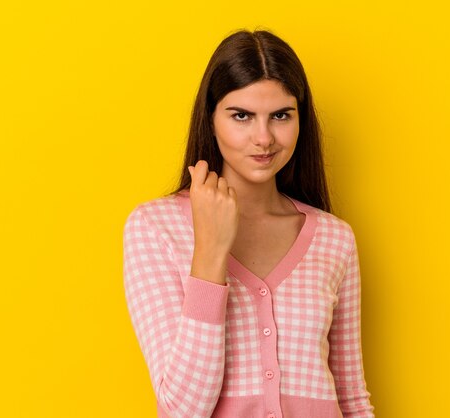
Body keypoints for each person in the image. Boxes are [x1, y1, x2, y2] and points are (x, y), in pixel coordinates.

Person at [123, 28, 375, 418]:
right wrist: (210, 250)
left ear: (300, 120)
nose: (264, 138)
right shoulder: (156, 229)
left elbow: (353, 399)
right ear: (210, 120)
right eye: (241, 115)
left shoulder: (334, 239)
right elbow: (182, 411)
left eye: (280, 116)